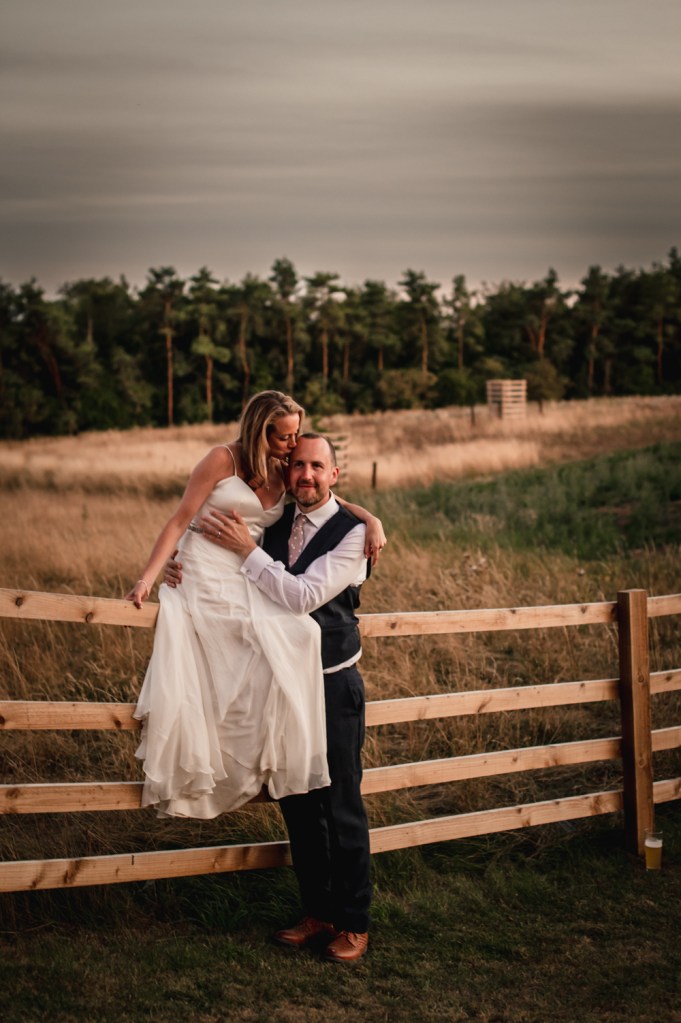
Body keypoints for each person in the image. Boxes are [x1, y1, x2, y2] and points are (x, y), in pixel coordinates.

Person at [126, 391, 385, 820]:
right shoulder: (220, 460)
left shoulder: (285, 471)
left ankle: (269, 751)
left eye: (296, 434)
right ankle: (215, 755)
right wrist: (147, 578)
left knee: (299, 634)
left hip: (245, 570)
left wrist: (369, 519)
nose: (293, 444)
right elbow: (178, 518)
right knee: (236, 657)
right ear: (261, 431)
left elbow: (323, 494)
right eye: (285, 437)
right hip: (203, 568)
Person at [169, 432, 374, 963]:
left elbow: (302, 596)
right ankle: (317, 913)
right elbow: (208, 543)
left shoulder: (353, 535)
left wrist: (249, 553)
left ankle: (354, 923)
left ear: (334, 474)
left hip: (331, 681)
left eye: (316, 467)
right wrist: (179, 566)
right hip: (281, 681)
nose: (305, 474)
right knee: (298, 801)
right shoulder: (277, 520)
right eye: (297, 465)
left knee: (342, 803)